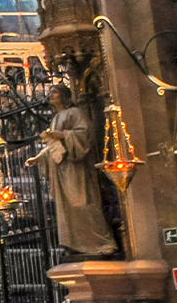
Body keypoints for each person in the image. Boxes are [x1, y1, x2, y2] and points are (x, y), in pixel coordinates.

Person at [28, 84, 118, 257]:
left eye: (54, 92)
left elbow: (86, 134)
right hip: (61, 169)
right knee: (66, 208)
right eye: (50, 93)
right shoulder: (56, 117)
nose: (50, 95)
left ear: (64, 95)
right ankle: (75, 244)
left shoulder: (74, 113)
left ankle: (103, 242)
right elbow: (53, 145)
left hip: (76, 168)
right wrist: (39, 157)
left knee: (82, 203)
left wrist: (63, 135)